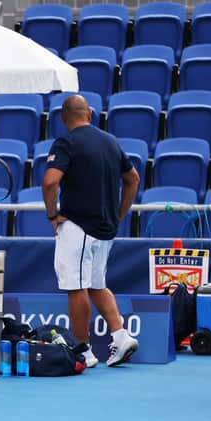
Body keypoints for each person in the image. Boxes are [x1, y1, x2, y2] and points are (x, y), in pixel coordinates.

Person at [42, 95, 141, 368]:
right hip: (105, 228)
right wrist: (119, 214)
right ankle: (120, 336)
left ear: (63, 118)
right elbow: (133, 179)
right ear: (90, 115)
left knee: (77, 288)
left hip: (78, 227)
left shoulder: (66, 142)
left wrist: (52, 215)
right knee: (98, 284)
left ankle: (83, 350)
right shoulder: (111, 141)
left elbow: (50, 182)